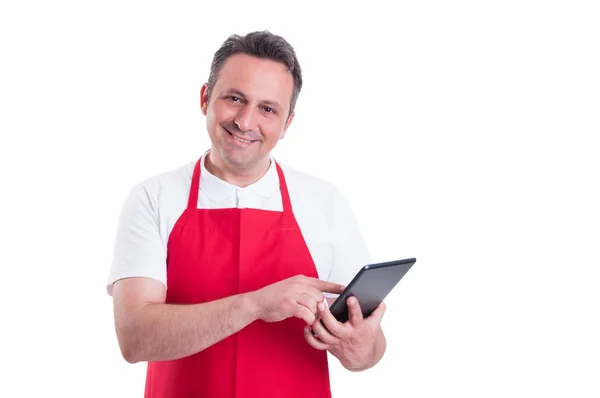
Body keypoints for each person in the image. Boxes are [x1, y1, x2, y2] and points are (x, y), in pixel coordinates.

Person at [106, 30, 387, 398]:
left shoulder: (325, 203)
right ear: (206, 98)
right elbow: (134, 338)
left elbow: (371, 348)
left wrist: (360, 348)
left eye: (268, 109)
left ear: (287, 124)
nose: (245, 121)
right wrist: (254, 304)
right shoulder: (153, 198)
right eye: (235, 98)